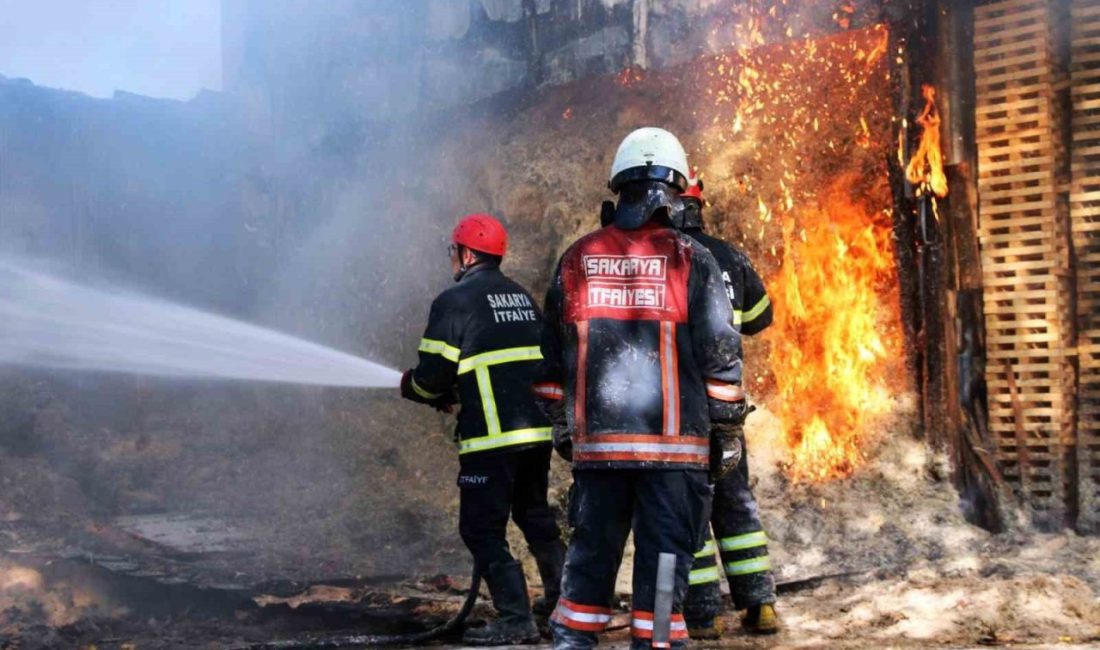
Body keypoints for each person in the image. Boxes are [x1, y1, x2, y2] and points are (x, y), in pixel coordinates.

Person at [534, 127, 746, 650]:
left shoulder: (576, 259)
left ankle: (571, 643)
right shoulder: (691, 258)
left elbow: (549, 363)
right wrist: (728, 434)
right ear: (673, 192)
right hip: (674, 461)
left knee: (587, 568)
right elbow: (721, 357)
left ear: (619, 188)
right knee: (666, 575)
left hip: (600, 457)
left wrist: (564, 427)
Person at [400, 213, 565, 646]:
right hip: (536, 434)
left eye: (453, 251)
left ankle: (516, 619)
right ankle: (566, 605)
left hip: (493, 439)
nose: (451, 258)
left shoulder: (454, 301)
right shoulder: (521, 297)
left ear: (466, 253)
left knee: (480, 529)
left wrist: (414, 387)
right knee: (534, 516)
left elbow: (430, 377)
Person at [675, 176, 779, 637]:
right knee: (736, 503)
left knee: (687, 504)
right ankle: (760, 604)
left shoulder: (665, 257)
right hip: (727, 406)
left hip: (681, 408)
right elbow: (760, 318)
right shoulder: (729, 256)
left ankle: (702, 616)